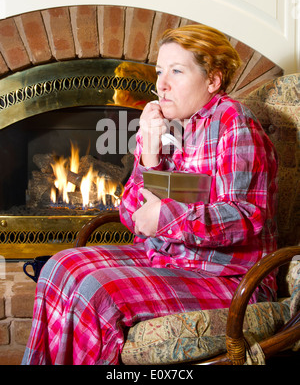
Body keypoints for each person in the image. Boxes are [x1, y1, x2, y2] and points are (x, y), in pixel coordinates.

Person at [22, 24, 278, 365]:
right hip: (167, 258)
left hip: (226, 275)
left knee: (94, 291)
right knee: (59, 266)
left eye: (176, 71)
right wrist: (150, 155)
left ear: (213, 81)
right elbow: (133, 218)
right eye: (159, 71)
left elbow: (248, 216)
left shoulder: (233, 124)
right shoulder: (161, 123)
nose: (161, 84)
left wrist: (167, 217)